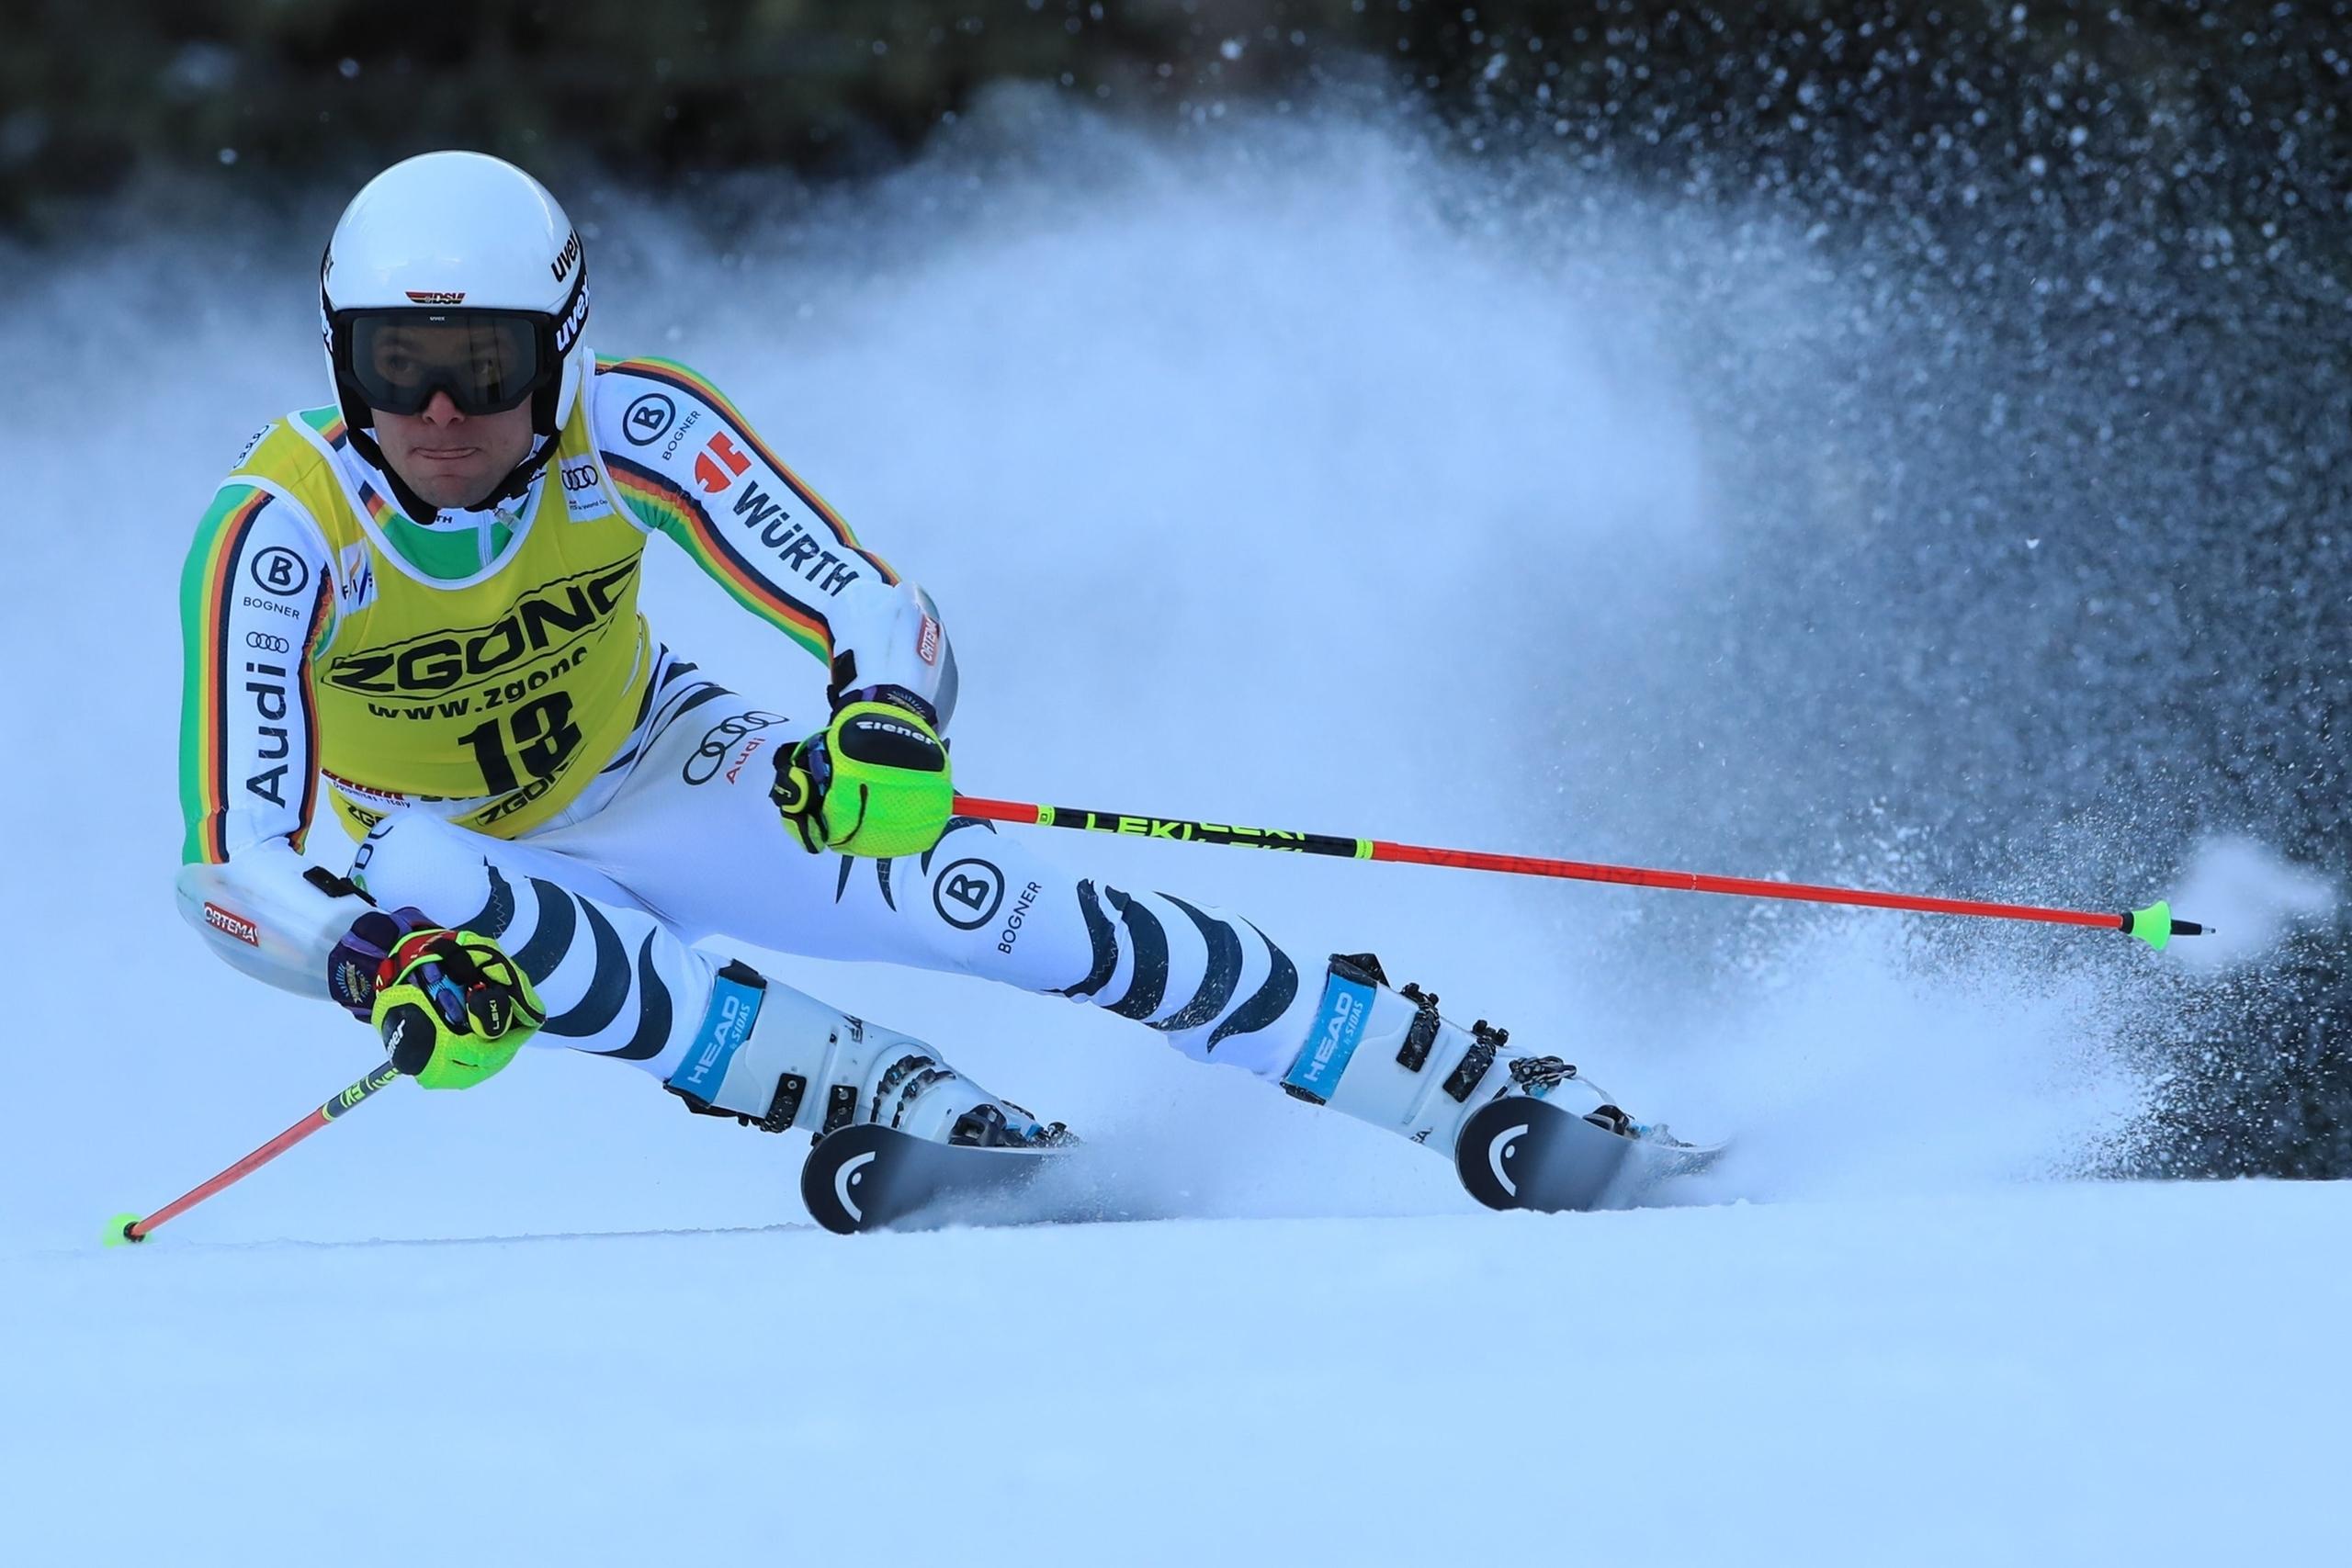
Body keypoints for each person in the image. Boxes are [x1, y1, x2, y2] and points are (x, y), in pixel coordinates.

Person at [176, 150, 1634, 1190]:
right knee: (429, 883)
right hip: (445, 848)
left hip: (656, 763)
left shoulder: (634, 432)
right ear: (338, 357)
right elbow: (230, 866)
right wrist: (374, 967)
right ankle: (882, 1096)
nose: (436, 410)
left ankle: (1447, 1073)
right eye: (389, 363)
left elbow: (873, 606)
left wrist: (880, 725)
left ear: (558, 354)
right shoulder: (281, 532)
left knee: (998, 906)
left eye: (484, 365)